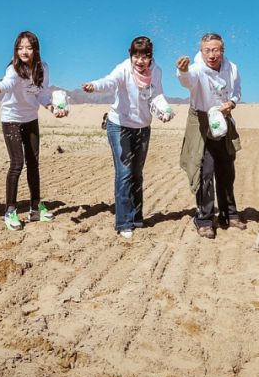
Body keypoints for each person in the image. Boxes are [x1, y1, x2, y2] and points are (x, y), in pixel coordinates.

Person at [82, 36, 171, 240]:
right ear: (130, 55)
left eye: (144, 56)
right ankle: (123, 222)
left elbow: (157, 95)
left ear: (150, 57)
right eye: (135, 56)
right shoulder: (123, 69)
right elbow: (109, 81)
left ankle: (137, 216)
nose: (140, 61)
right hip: (119, 125)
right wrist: (94, 86)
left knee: (137, 173)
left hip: (143, 127)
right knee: (124, 172)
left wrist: (163, 111)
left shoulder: (156, 71)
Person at [0, 31, 68, 231]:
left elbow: (43, 94)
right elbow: (7, 83)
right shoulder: (13, 69)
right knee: (17, 164)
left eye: (29, 48)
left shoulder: (43, 68)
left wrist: (54, 109)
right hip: (11, 119)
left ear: (35, 50)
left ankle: (35, 209)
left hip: (31, 119)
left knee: (33, 163)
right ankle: (10, 211)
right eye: (20, 48)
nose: (24, 52)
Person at [176, 33, 243, 239]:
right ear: (201, 51)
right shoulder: (196, 69)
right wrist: (182, 71)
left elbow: (237, 91)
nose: (211, 55)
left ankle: (229, 213)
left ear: (222, 51)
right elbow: (187, 81)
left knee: (226, 170)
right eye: (207, 50)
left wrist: (231, 103)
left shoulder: (232, 68)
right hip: (202, 122)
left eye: (216, 50)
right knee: (205, 172)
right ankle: (204, 219)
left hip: (223, 119)